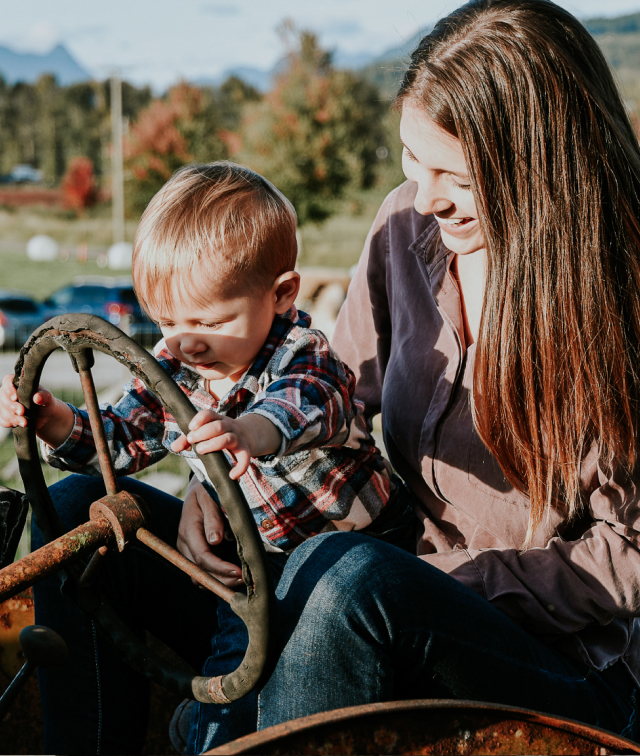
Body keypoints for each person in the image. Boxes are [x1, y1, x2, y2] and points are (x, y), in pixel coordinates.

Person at [248, 0, 640, 741]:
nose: (423, 196)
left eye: (451, 173)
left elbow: (629, 558)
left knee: (346, 580)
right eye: (411, 158)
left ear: (538, 165)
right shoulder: (407, 227)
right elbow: (330, 389)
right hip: (403, 582)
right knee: (96, 519)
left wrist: (448, 585)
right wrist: (235, 469)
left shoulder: (621, 301)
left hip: (571, 668)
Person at [0, 162, 415, 754]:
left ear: (281, 295)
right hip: (251, 567)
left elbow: (306, 408)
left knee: (237, 691)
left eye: (211, 321)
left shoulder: (304, 355)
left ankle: (205, 731)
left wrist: (245, 431)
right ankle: (198, 729)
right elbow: (117, 438)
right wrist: (51, 420)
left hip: (353, 561)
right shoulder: (180, 366)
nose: (186, 340)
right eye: (169, 321)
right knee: (229, 667)